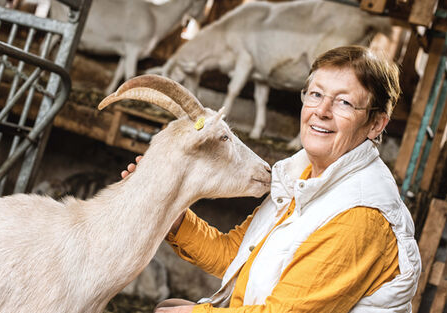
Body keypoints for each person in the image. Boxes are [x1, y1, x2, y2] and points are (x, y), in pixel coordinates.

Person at [122, 45, 421, 313]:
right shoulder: (301, 176)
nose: (322, 111)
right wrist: (172, 217)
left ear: (376, 124)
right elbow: (235, 256)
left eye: (343, 103)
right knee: (168, 306)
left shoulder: (360, 215)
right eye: (316, 94)